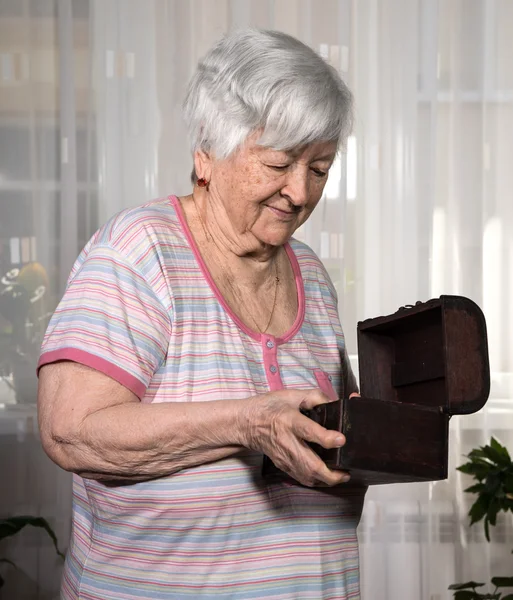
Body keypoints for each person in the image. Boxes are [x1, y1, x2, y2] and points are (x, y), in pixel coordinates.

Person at [37, 28, 365, 599]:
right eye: (280, 163)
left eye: (320, 168)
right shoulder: (140, 251)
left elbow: (337, 431)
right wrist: (247, 422)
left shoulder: (310, 272)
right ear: (206, 154)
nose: (299, 192)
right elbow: (72, 431)